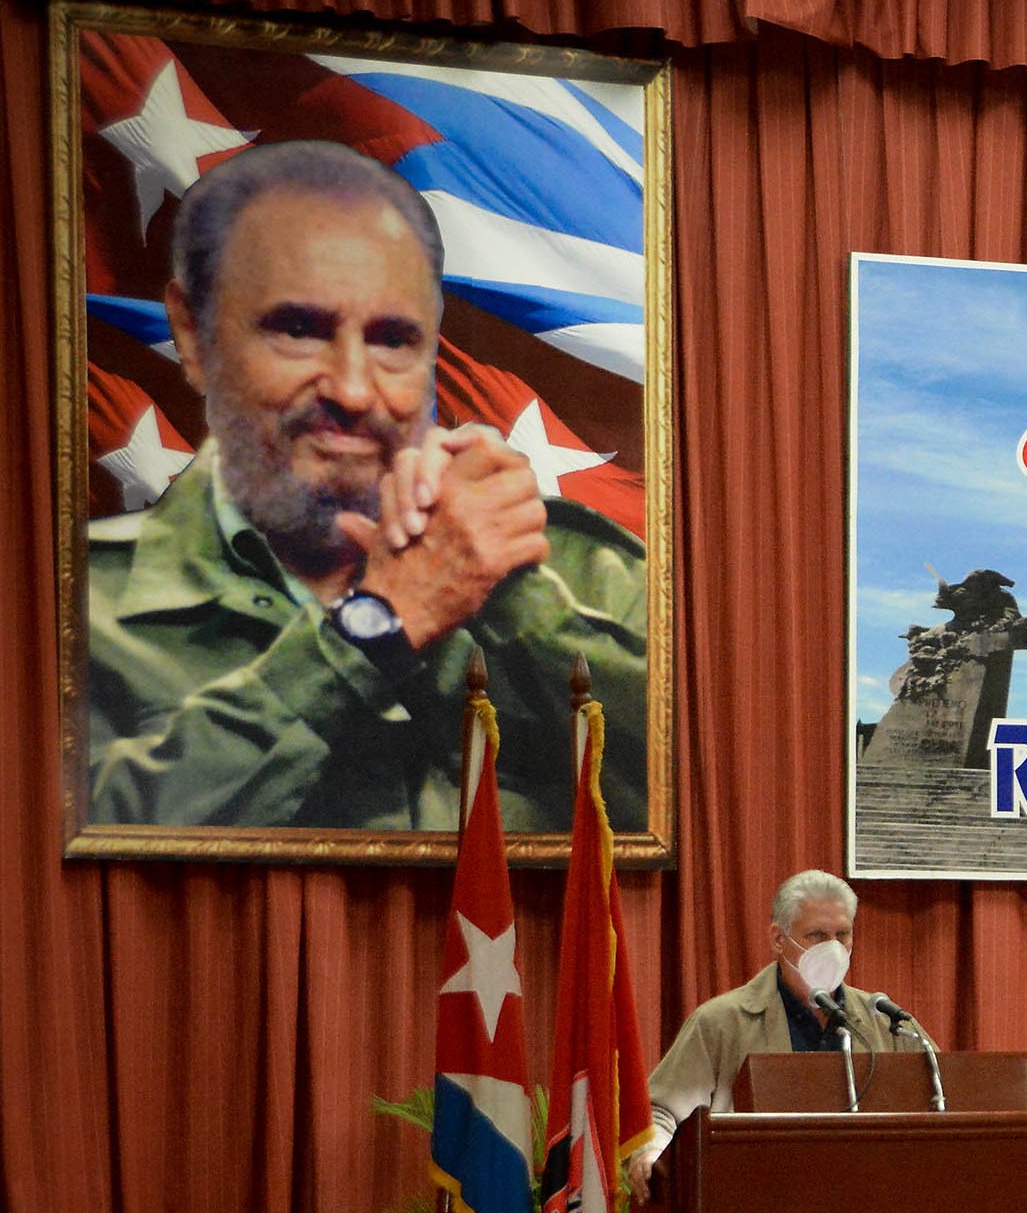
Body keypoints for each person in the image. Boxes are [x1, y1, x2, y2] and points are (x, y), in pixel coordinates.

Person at [84, 139, 649, 831]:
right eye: (297, 328)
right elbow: (71, 849)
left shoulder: (583, 573)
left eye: (392, 339)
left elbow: (709, 806)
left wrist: (512, 597)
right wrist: (371, 634)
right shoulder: (82, 607)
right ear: (192, 334)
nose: (353, 390)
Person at [624, 871, 924, 1192]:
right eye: (818, 936)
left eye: (843, 935)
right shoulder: (722, 1022)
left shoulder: (884, 1021)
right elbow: (660, 1111)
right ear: (779, 940)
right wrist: (652, 1154)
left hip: (867, 1198)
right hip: (759, 1198)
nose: (834, 948)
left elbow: (942, 1097)